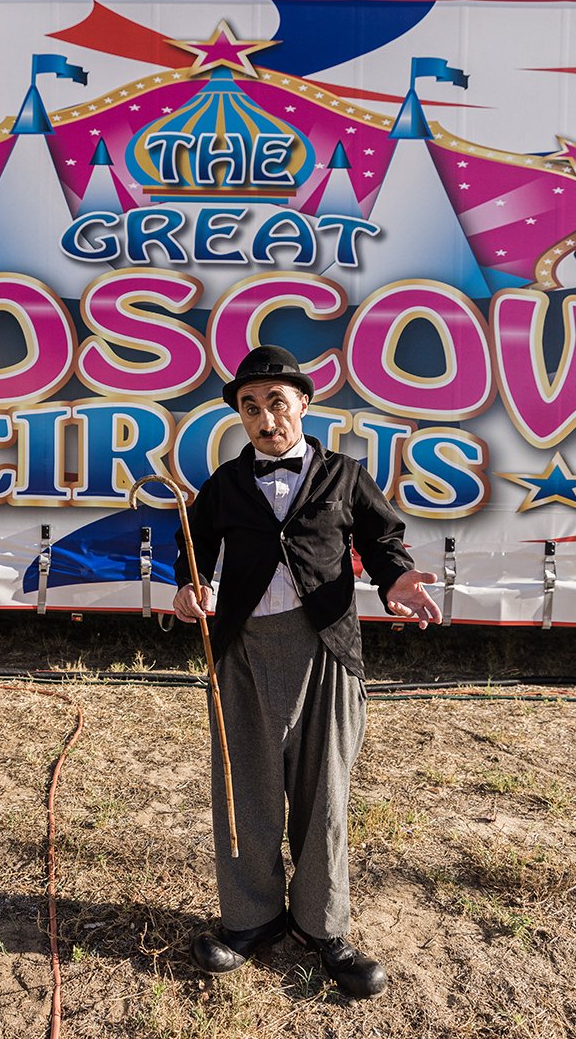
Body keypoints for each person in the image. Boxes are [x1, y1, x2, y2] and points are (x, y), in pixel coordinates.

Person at [173, 344, 442, 999]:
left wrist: (398, 577)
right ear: (239, 415)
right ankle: (251, 917)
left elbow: (381, 540)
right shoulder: (224, 485)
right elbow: (194, 551)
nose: (266, 418)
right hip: (242, 653)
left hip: (327, 651)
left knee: (324, 799)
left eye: (277, 403)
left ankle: (324, 926)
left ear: (303, 405)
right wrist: (187, 590)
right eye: (251, 406)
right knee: (247, 791)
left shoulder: (344, 475)